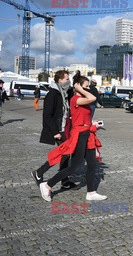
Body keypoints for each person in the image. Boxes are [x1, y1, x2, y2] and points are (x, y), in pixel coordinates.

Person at [38, 71, 106, 202]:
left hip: (88, 134)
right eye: (86, 86)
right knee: (74, 166)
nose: (88, 88)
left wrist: (93, 123)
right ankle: (47, 185)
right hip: (79, 135)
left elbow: (84, 116)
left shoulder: (83, 100)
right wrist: (79, 88)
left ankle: (91, 192)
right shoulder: (76, 99)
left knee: (92, 164)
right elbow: (93, 98)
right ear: (78, 87)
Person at [32, 70, 78, 190]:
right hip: (58, 130)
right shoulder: (53, 93)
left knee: (65, 154)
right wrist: (55, 132)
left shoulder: (66, 93)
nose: (69, 81)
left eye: (69, 79)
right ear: (60, 80)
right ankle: (39, 172)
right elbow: (47, 115)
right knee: (64, 154)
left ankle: (64, 180)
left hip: (65, 129)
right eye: (67, 79)